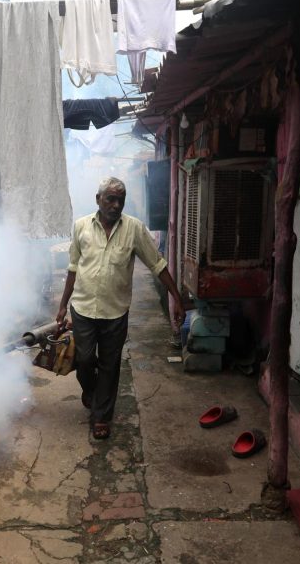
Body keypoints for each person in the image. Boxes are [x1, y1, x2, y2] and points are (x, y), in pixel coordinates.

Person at [56, 177, 185, 440]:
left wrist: (177, 298)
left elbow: (157, 264)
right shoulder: (81, 226)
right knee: (85, 360)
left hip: (115, 311)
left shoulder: (134, 229)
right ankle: (91, 393)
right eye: (110, 199)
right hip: (82, 309)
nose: (115, 205)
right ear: (98, 200)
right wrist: (62, 307)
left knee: (110, 365)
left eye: (120, 200)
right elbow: (72, 268)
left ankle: (102, 416)